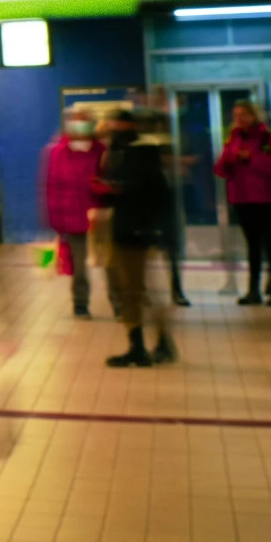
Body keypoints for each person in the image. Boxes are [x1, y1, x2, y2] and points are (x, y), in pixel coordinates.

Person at [98, 108, 177, 367]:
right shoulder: (125, 152)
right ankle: (159, 342)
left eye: (115, 123)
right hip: (129, 228)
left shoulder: (136, 153)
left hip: (132, 230)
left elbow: (139, 190)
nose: (111, 127)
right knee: (137, 289)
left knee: (131, 290)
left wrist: (114, 190)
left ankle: (139, 347)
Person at [215, 102, 271, 305]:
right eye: (236, 115)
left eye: (244, 115)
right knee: (253, 245)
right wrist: (231, 158)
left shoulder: (268, 138)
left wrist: (252, 158)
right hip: (242, 198)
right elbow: (220, 169)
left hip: (267, 199)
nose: (239, 119)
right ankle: (253, 289)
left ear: (254, 116)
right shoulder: (233, 139)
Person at [42, 106, 104, 318]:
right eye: (77, 120)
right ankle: (80, 304)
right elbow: (51, 186)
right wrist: (55, 221)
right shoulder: (58, 152)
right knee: (79, 267)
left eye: (85, 119)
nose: (81, 123)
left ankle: (119, 302)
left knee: (111, 264)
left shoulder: (101, 151)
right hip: (73, 219)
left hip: (100, 218)